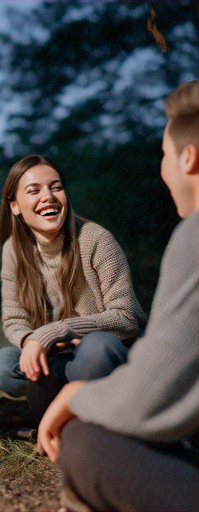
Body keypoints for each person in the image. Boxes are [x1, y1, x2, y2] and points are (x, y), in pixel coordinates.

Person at [37, 80, 198, 512]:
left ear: (189, 158)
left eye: (163, 156)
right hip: (62, 361)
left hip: (101, 355)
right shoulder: (18, 253)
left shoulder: (193, 236)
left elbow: (153, 386)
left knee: (85, 443)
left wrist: (78, 397)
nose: (162, 170)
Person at [0, 155, 146, 428]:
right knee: (3, 366)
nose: (48, 197)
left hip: (105, 347)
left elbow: (126, 318)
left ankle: (80, 405)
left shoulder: (95, 239)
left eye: (56, 187)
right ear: (14, 206)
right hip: (55, 354)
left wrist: (57, 332)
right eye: (34, 190)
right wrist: (30, 342)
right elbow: (14, 320)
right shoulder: (13, 249)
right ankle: (69, 400)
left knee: (95, 352)